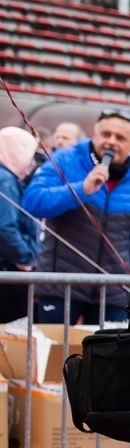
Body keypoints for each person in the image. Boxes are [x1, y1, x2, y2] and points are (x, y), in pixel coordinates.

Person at [21, 108, 130, 324]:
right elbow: (32, 202)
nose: (111, 142)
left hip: (113, 292)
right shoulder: (64, 160)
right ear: (94, 135)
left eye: (120, 137)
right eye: (105, 134)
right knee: (56, 355)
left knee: (108, 356)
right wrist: (81, 189)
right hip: (61, 287)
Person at [0, 126, 40, 323]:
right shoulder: (5, 179)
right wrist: (26, 259)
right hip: (9, 272)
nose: (31, 163)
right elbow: (5, 227)